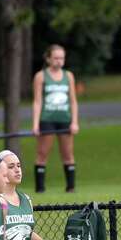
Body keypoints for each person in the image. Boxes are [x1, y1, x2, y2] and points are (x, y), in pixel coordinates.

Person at [31, 44, 79, 193]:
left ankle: (71, 188)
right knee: (42, 154)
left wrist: (75, 122)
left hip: (64, 119)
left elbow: (73, 101)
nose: (59, 61)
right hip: (47, 119)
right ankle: (40, 189)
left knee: (68, 154)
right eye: (56, 58)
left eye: (62, 58)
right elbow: (37, 101)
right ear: (48, 59)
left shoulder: (68, 76)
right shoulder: (41, 76)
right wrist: (35, 124)